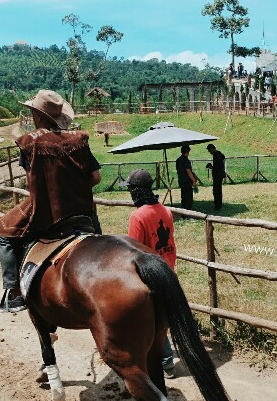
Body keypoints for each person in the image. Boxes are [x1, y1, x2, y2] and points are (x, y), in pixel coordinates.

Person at [0, 89, 102, 313]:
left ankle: (13, 293)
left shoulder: (28, 143)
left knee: (4, 232)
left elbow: (30, 185)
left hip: (47, 210)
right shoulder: (78, 139)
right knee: (99, 237)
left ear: (38, 116)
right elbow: (95, 177)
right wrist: (73, 189)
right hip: (83, 210)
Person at [120, 169, 178, 378]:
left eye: (130, 190)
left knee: (151, 320)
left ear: (137, 191)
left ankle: (165, 361)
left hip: (149, 274)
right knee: (161, 317)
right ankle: (166, 361)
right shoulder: (165, 210)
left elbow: (133, 251)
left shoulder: (138, 216)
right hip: (168, 268)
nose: (129, 194)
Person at [175, 143, 197, 210]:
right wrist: (194, 180)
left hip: (181, 181)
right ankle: (188, 214)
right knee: (189, 198)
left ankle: (183, 213)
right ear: (188, 151)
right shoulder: (186, 160)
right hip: (187, 181)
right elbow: (188, 171)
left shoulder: (178, 160)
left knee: (184, 198)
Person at [205, 144, 226, 211]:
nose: (209, 152)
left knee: (216, 191)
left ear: (211, 149)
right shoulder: (219, 153)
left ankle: (217, 206)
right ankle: (219, 205)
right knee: (218, 190)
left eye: (209, 150)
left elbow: (217, 167)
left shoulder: (216, 155)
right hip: (220, 175)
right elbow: (223, 157)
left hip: (217, 176)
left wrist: (211, 167)